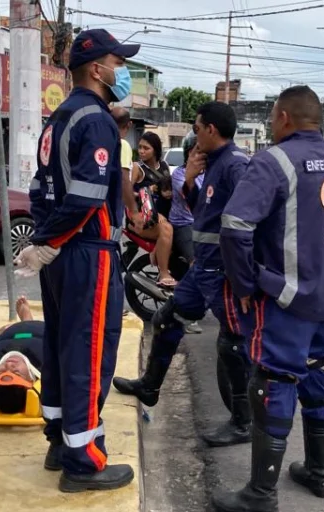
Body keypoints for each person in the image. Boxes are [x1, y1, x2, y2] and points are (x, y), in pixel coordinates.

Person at [212, 86, 324, 512]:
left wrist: (245, 284)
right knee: (316, 369)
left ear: (283, 117)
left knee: (274, 380)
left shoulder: (273, 162)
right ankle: (318, 471)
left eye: (274, 117)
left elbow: (235, 226)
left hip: (285, 297)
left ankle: (261, 493)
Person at [18, 29, 139, 493]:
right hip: (89, 250)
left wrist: (43, 242)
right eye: (118, 62)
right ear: (96, 69)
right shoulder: (96, 121)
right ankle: (83, 462)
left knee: (62, 345)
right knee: (88, 352)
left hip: (62, 253)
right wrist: (52, 240)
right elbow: (88, 196)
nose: (121, 70)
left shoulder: (59, 119)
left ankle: (59, 439)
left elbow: (38, 189)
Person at [112, 101, 253, 447]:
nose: (193, 132)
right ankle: (150, 386)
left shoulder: (236, 167)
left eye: (196, 126)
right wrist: (188, 179)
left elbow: (249, 223)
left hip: (223, 271)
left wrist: (243, 273)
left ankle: (243, 421)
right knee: (166, 319)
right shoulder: (210, 164)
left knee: (233, 345)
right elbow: (201, 213)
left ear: (211, 130)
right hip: (201, 269)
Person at [130, 132, 176, 287]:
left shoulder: (164, 166)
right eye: (140, 147)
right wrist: (149, 189)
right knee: (167, 229)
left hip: (163, 214)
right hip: (142, 217)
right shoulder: (138, 168)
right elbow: (127, 193)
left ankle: (158, 251)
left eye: (146, 148)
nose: (141, 151)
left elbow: (168, 189)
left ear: (155, 150)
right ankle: (163, 273)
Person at [170, 133, 204, 334]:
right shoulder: (180, 174)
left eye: (201, 152)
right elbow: (187, 194)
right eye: (195, 152)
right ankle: (186, 314)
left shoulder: (209, 173)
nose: (199, 155)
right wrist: (192, 175)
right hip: (183, 224)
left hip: (202, 225)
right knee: (197, 264)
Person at [110, 106, 143, 229]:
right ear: (129, 124)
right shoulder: (122, 144)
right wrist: (134, 212)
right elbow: (123, 179)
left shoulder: (102, 141)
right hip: (114, 204)